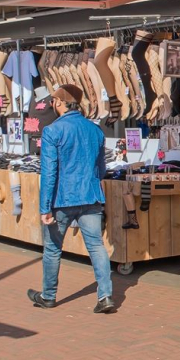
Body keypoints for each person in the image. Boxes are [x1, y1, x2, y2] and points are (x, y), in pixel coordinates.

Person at [27, 84, 116, 314]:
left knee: (53, 248)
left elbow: (49, 172)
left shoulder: (53, 131)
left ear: (59, 102)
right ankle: (105, 296)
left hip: (62, 199)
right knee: (96, 246)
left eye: (53, 101)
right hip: (91, 196)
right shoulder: (95, 130)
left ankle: (48, 296)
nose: (51, 105)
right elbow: (101, 168)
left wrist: (44, 207)